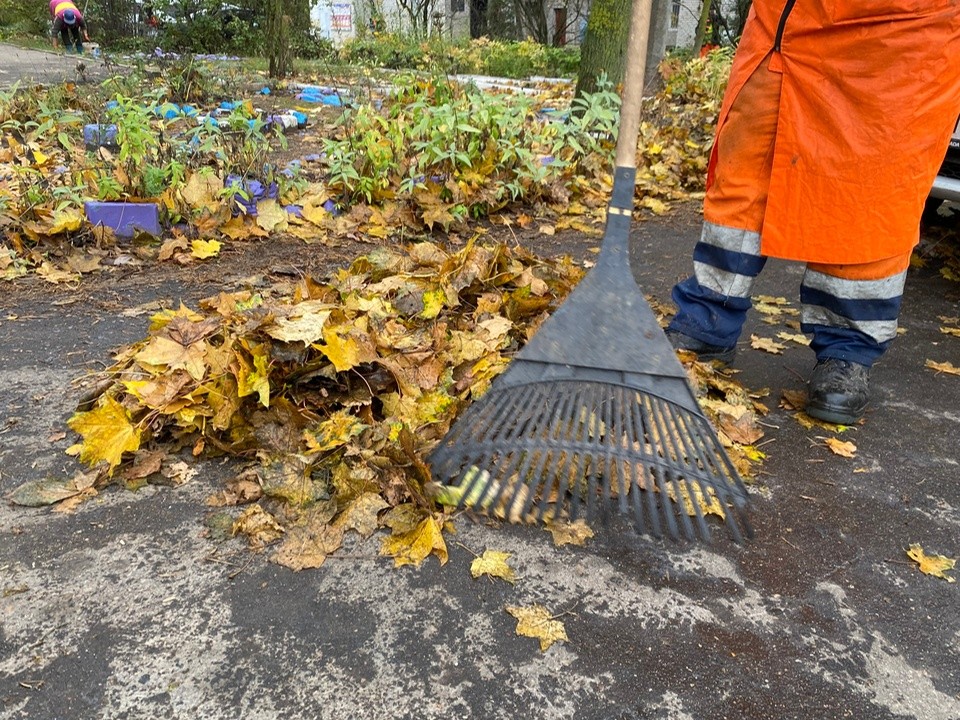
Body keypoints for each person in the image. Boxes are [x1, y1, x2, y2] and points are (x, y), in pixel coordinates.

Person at [665, 3, 960, 425]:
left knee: (871, 193)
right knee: (747, 169)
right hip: (789, 21)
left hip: (906, 34)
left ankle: (847, 348)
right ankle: (709, 315)